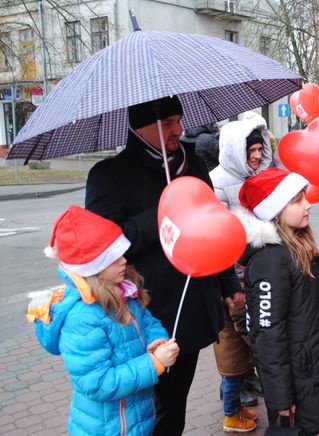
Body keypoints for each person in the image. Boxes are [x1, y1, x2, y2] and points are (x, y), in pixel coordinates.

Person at [85, 96, 241, 435]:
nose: (179, 129)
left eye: (179, 120)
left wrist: (228, 281)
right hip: (147, 313)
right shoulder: (109, 175)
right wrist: (163, 214)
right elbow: (103, 243)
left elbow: (213, 223)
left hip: (194, 303)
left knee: (175, 401)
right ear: (142, 127)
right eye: (168, 123)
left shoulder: (193, 163)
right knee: (153, 409)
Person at [234, 168, 319, 435]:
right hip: (296, 379)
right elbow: (267, 336)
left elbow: (316, 287)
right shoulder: (269, 262)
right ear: (276, 210)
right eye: (297, 201)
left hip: (310, 369)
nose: (308, 204)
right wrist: (281, 402)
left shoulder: (293, 246)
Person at [30, 205, 179, 435]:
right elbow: (98, 383)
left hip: (134, 418)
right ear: (93, 267)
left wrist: (157, 340)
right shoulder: (82, 319)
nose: (123, 261)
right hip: (107, 428)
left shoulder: (123, 292)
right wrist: (154, 363)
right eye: (113, 257)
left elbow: (148, 322)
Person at [209, 113, 275, 432]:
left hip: (255, 267)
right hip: (233, 275)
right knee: (236, 343)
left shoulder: (256, 176)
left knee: (251, 337)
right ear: (237, 150)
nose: (257, 157)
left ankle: (238, 400)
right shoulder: (217, 182)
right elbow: (221, 233)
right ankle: (232, 407)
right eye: (251, 153)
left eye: (260, 151)